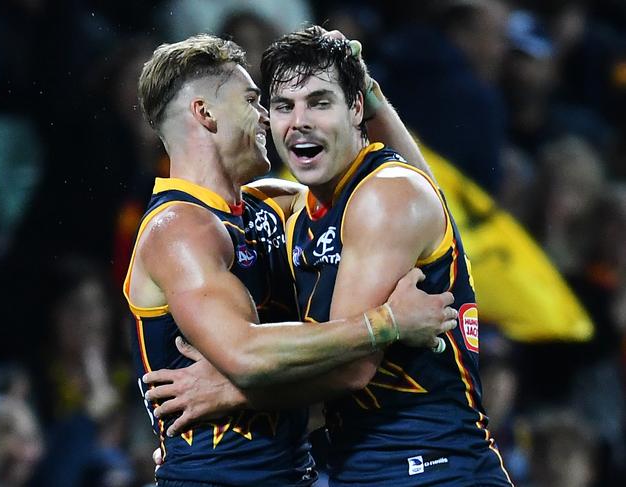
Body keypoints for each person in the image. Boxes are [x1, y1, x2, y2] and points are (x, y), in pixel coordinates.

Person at [146, 27, 514, 486]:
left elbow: (350, 368)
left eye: (320, 103)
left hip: (433, 468)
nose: (294, 121)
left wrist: (233, 390)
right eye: (280, 106)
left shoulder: (386, 197)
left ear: (355, 108)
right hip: (353, 471)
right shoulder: (285, 210)